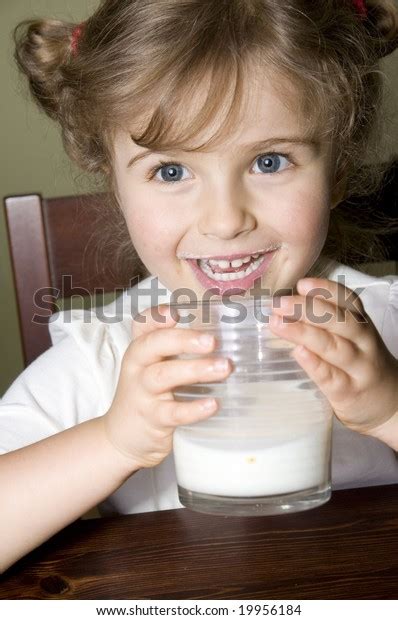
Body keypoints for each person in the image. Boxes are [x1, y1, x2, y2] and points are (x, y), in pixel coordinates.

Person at [1, 0, 398, 573]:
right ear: (115, 184)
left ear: (336, 171)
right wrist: (115, 441)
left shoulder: (383, 323)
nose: (224, 219)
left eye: (269, 162)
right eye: (171, 171)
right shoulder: (107, 354)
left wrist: (388, 409)